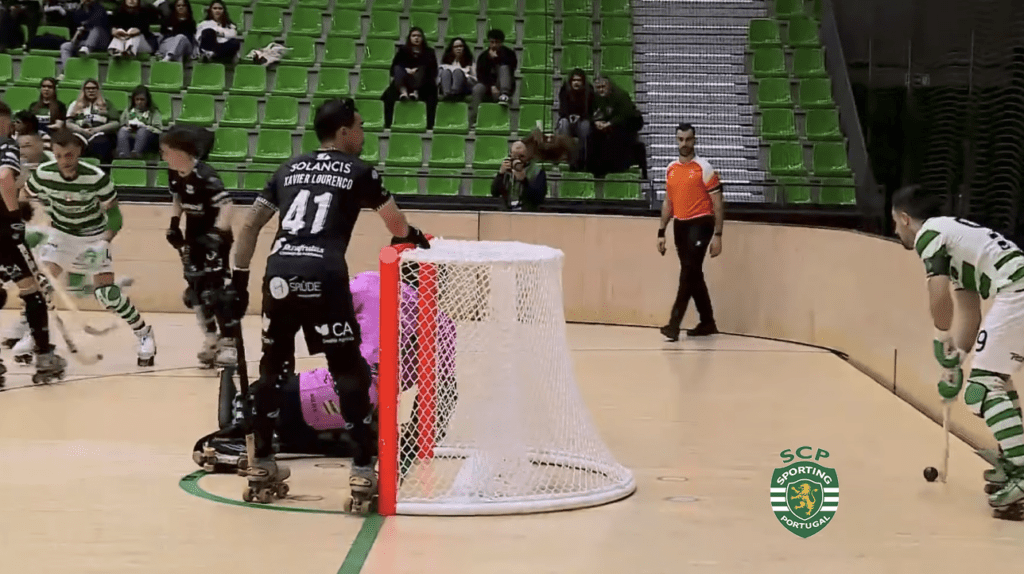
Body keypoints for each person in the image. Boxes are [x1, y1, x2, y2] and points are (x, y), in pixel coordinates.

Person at [227, 97, 430, 510]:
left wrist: (239, 282)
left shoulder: (286, 169)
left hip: (279, 274)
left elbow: (249, 226)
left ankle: (262, 461)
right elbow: (396, 223)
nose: (363, 134)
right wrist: (411, 236)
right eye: (360, 126)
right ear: (343, 131)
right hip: (324, 273)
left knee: (273, 368)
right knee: (348, 370)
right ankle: (362, 468)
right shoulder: (360, 171)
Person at [193, 270, 457, 471]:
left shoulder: (373, 282)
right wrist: (416, 437)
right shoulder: (444, 324)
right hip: (374, 408)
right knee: (341, 432)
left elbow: (321, 307)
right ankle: (285, 436)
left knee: (255, 399)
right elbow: (445, 391)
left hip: (338, 390)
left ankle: (238, 437)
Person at [891, 184, 1024, 515]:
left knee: (982, 389)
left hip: (1017, 291)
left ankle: (1022, 474)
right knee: (997, 381)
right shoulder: (955, 238)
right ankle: (1013, 462)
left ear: (905, 218)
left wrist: (940, 336)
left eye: (894, 222)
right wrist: (957, 360)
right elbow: (968, 310)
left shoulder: (930, 234)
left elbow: (938, 296)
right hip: (1017, 289)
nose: (895, 231)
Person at [25, 128, 156, 366]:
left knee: (107, 295)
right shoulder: (43, 174)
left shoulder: (96, 177)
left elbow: (115, 215)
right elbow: (24, 196)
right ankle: (34, 337)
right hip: (62, 235)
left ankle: (144, 333)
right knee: (41, 286)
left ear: (78, 152)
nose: (64, 161)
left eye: (69, 155)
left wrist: (104, 241)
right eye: (59, 155)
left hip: (93, 236)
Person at [0, 100, 67, 386]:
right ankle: (44, 357)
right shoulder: (5, 145)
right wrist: (14, 216)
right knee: (31, 290)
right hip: (3, 229)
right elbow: (5, 178)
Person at [160, 125, 235, 368]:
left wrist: (218, 233)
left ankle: (229, 343)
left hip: (214, 240)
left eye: (166, 151)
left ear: (181, 152)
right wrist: (174, 223)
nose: (163, 156)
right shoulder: (174, 173)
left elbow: (227, 205)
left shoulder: (205, 175)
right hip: (192, 239)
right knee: (196, 291)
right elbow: (178, 197)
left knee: (216, 292)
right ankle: (210, 340)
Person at [657, 122, 722, 342]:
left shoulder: (704, 168)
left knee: (688, 272)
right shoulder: (671, 169)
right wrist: (661, 231)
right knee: (693, 273)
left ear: (694, 140)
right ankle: (707, 321)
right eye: (680, 139)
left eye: (688, 139)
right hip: (680, 226)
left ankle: (674, 325)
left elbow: (718, 202)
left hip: (701, 223)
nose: (684, 143)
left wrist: (718, 235)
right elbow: (668, 202)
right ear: (676, 141)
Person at [491, 138, 547, 211]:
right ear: (510, 154)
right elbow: (495, 193)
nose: (518, 159)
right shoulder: (507, 168)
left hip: (527, 211)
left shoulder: (537, 171)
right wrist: (500, 174)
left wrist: (524, 181)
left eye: (522, 156)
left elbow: (538, 198)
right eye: (515, 156)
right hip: (507, 210)